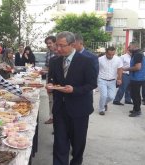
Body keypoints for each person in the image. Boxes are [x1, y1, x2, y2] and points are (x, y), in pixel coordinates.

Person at [46, 31, 97, 165]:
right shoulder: (54, 61)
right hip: (60, 108)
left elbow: (92, 84)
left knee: (78, 143)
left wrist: (74, 90)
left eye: (62, 46)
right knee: (60, 143)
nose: (58, 49)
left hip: (79, 109)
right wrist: (50, 85)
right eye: (57, 45)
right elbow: (51, 79)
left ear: (73, 44)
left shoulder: (87, 61)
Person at [123, 41, 145, 117]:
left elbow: (138, 67)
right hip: (137, 78)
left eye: (130, 46)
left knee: (135, 95)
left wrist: (126, 69)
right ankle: (136, 108)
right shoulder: (137, 54)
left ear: (134, 46)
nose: (129, 48)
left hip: (137, 78)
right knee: (134, 94)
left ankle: (137, 110)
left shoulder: (138, 55)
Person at [98, 46, 123, 115]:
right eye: (109, 54)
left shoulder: (118, 59)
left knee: (111, 97)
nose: (111, 56)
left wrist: (119, 78)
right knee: (104, 95)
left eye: (113, 54)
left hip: (112, 80)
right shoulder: (100, 59)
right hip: (102, 79)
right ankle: (101, 109)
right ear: (106, 53)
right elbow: (96, 69)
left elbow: (120, 69)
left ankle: (104, 103)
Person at [43, 35, 56, 124]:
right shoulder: (48, 53)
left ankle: (57, 121)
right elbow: (47, 66)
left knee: (57, 101)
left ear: (55, 43)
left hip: (58, 81)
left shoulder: (59, 52)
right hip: (49, 79)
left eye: (50, 43)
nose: (48, 45)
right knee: (51, 99)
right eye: (47, 44)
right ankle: (51, 117)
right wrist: (43, 70)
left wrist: (46, 70)